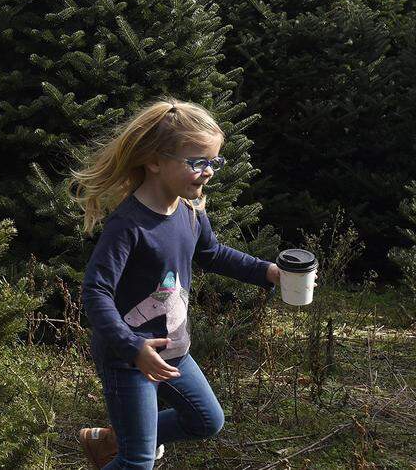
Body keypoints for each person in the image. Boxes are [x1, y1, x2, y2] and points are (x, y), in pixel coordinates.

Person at [67, 99, 310, 469]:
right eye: (198, 162)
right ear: (154, 161)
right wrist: (133, 347)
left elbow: (212, 253)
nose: (209, 171)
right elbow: (95, 291)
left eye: (215, 162)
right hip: (128, 359)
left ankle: (111, 440)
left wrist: (269, 272)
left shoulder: (190, 211)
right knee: (137, 461)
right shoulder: (129, 226)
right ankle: (128, 444)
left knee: (206, 421)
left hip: (174, 350)